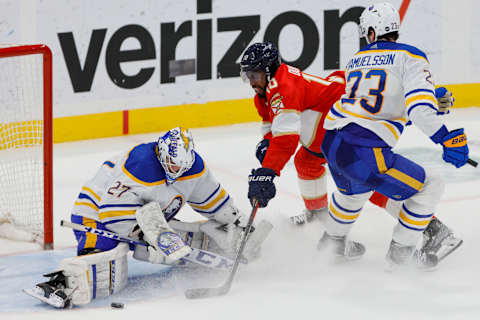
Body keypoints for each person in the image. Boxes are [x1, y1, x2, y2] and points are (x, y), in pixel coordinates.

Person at [242, 41, 462, 262]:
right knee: (308, 162)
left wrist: (268, 170)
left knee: (365, 177)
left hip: (338, 123)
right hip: (328, 126)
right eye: (248, 76)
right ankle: (320, 216)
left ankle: (432, 227)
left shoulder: (283, 87)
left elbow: (286, 139)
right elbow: (272, 124)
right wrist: (266, 143)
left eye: (255, 75)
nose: (251, 82)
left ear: (269, 69)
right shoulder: (267, 91)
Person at [25, 127, 271, 308]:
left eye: (181, 167)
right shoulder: (141, 164)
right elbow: (111, 213)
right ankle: (63, 282)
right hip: (95, 214)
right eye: (172, 166)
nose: (177, 171)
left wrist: (238, 223)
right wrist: (145, 235)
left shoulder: (192, 166)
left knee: (194, 238)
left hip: (146, 214)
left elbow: (215, 203)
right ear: (163, 155)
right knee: (107, 275)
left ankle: (235, 246)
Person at [317, 3, 469, 268]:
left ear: (372, 33)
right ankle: (402, 254)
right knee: (430, 185)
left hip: (331, 143)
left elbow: (377, 110)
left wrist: (425, 103)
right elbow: (418, 110)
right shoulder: (411, 56)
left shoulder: (356, 60)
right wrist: (446, 137)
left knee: (353, 192)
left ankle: (332, 244)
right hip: (363, 150)